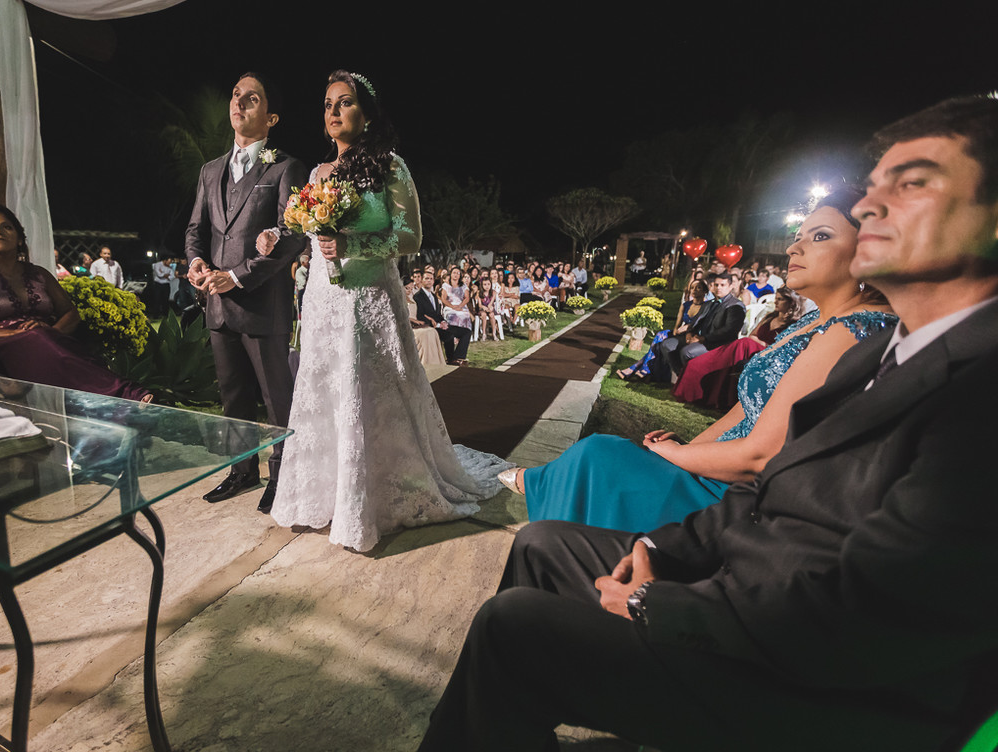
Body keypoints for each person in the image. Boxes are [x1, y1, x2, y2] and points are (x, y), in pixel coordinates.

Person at [419, 96, 998, 752]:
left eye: (912, 183)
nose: (868, 206)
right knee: (542, 544)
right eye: (873, 188)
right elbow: (771, 490)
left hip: (823, 676)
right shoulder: (882, 350)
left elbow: (875, 610)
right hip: (754, 577)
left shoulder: (978, 391)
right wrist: (662, 549)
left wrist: (669, 606)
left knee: (513, 627)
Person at [500, 186, 895, 530]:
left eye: (820, 235)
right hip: (722, 467)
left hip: (742, 496)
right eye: (798, 236)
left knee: (599, 455)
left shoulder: (855, 330)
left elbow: (761, 454)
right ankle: (547, 501)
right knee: (604, 453)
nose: (794, 247)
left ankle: (545, 501)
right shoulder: (813, 321)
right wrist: (686, 453)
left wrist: (678, 455)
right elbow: (744, 411)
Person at [262, 70, 501, 552]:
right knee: (326, 388)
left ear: (367, 115)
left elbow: (411, 237)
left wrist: (353, 244)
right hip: (324, 300)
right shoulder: (317, 175)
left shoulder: (390, 166)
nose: (333, 111)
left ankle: (375, 494)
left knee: (370, 389)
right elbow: (312, 234)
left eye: (344, 102)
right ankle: (324, 492)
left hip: (370, 299)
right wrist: (280, 234)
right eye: (327, 104)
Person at [184, 72, 308, 512]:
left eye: (251, 98)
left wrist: (236, 276)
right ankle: (241, 471)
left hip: (263, 306)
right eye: (236, 95)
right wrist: (196, 262)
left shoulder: (285, 168)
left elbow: (293, 236)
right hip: (218, 306)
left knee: (277, 400)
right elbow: (196, 230)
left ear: (270, 117)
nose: (239, 103)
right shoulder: (209, 170)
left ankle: (284, 475)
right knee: (232, 396)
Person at [0, 205, 150, 401]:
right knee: (39, 340)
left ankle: (115, 398)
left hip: (47, 342)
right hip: (0, 349)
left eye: (6, 227)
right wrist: (15, 334)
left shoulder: (39, 273)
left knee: (59, 345)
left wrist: (51, 332)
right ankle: (124, 395)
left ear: (19, 238)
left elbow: (71, 313)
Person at [672, 286, 804, 407]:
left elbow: (782, 348)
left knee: (745, 344)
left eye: (780, 299)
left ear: (791, 302)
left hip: (766, 355)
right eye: (776, 298)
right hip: (747, 347)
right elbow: (752, 335)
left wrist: (761, 343)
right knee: (710, 360)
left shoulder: (795, 325)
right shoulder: (769, 317)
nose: (776, 302)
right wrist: (756, 341)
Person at [615, 278, 709, 380]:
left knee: (659, 343)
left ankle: (635, 369)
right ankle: (642, 369)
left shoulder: (707, 306)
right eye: (692, 288)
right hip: (680, 333)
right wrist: (676, 330)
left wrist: (687, 329)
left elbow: (702, 324)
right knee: (660, 336)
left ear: (705, 291)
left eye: (698, 288)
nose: (694, 290)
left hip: (692, 335)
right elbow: (677, 324)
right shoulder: (686, 305)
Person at [660, 270, 746, 378]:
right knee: (667, 344)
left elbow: (729, 331)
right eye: (716, 285)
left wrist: (703, 339)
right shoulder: (709, 303)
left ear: (730, 287)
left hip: (718, 343)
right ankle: (682, 377)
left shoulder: (735, 305)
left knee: (687, 352)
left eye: (722, 285)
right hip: (698, 337)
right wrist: (689, 333)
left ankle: (690, 380)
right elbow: (695, 322)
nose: (718, 288)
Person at [414, 269, 470, 362]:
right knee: (449, 336)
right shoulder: (418, 296)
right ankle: (451, 359)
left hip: (440, 325)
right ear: (422, 280)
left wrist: (443, 322)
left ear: (433, 281)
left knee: (466, 332)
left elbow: (437, 314)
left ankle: (458, 357)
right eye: (426, 278)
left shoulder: (434, 296)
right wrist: (439, 325)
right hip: (430, 327)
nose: (429, 281)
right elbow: (420, 315)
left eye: (431, 279)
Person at [403, 275, 448, 366]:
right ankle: (426, 363)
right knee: (425, 334)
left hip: (416, 325)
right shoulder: (397, 300)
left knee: (432, 331)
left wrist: (429, 318)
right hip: (407, 327)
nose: (409, 291)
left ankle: (435, 363)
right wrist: (413, 320)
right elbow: (399, 316)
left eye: (411, 288)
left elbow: (420, 313)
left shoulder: (412, 298)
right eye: (407, 288)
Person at [439, 267, 473, 363]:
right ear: (451, 274)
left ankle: (459, 354)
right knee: (452, 315)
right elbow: (444, 299)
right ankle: (452, 335)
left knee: (465, 315)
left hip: (461, 305)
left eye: (458, 273)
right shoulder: (446, 285)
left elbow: (467, 298)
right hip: (450, 306)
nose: (456, 275)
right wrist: (452, 306)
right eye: (454, 272)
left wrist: (460, 306)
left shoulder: (463, 286)